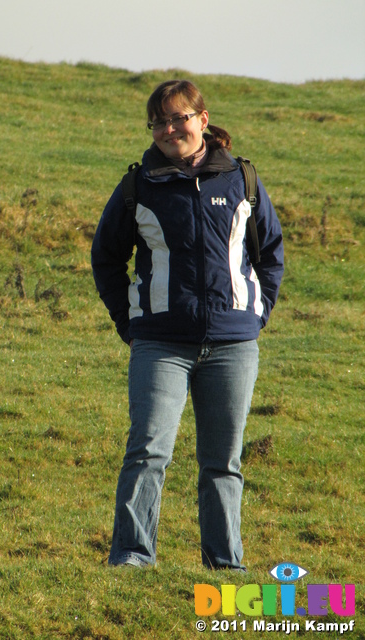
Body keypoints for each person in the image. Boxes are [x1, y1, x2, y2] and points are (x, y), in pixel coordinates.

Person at [91, 80, 284, 570]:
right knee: (148, 452)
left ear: (202, 119)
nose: (169, 128)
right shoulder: (139, 185)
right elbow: (106, 257)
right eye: (159, 121)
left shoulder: (242, 179)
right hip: (160, 345)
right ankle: (133, 557)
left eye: (178, 118)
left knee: (223, 462)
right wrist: (131, 322)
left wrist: (254, 316)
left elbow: (270, 255)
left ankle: (226, 565)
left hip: (233, 346)